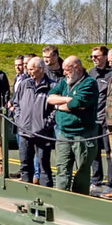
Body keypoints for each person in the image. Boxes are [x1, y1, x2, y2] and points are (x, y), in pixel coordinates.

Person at [47, 56, 99, 195]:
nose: (64, 73)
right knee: (61, 168)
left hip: (82, 134)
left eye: (66, 70)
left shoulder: (89, 83)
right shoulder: (64, 82)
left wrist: (60, 105)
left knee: (82, 170)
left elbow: (77, 104)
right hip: (64, 133)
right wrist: (65, 100)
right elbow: (50, 97)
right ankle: (61, 197)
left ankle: (79, 200)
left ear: (77, 67)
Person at [13, 57, 54, 187]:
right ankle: (27, 198)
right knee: (25, 165)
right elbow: (16, 104)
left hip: (42, 134)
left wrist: (45, 124)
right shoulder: (25, 84)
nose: (28, 71)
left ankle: (45, 197)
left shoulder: (52, 86)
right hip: (24, 132)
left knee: (43, 167)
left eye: (31, 69)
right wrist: (19, 120)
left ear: (41, 69)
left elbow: (56, 110)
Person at [89, 46, 112, 190]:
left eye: (96, 56)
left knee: (109, 153)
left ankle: (110, 183)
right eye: (92, 57)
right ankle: (96, 180)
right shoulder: (91, 73)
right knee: (94, 152)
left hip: (107, 120)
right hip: (92, 119)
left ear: (104, 57)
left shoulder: (111, 74)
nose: (94, 59)